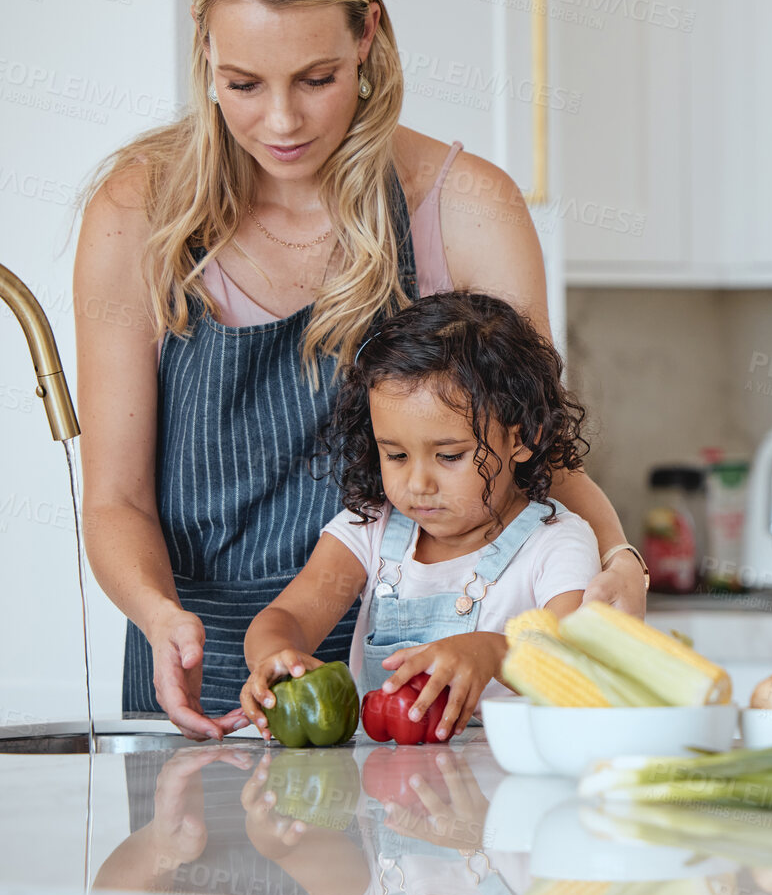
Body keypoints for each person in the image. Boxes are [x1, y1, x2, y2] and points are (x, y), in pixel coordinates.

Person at [74, 0, 647, 739]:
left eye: (316, 78)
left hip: (431, 689)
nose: (282, 121)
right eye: (242, 84)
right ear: (205, 48)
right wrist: (159, 615)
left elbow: (537, 450)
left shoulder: (465, 208)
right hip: (202, 677)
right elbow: (116, 496)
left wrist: (620, 561)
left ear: (367, 35)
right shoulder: (140, 210)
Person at [240, 292, 599, 742]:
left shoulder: (556, 543)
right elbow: (286, 616)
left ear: (523, 437)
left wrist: (494, 651)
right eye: (396, 455)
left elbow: (580, 667)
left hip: (504, 793)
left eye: (449, 456)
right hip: (381, 797)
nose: (418, 483)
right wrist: (276, 655)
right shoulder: (371, 530)